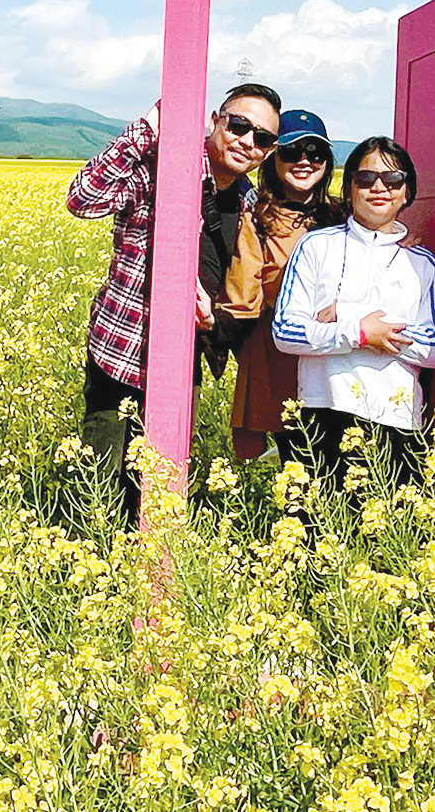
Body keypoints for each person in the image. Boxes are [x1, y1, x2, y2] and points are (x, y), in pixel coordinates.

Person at [66, 82, 282, 524]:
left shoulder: (247, 201)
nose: (247, 142)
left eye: (262, 138)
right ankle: (93, 556)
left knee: (159, 488)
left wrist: (212, 320)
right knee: (100, 485)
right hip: (122, 354)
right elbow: (82, 200)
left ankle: (149, 564)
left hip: (183, 364)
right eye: (239, 126)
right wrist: (148, 128)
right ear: (216, 121)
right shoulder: (160, 170)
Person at [271, 136, 435, 492]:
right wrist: (360, 333)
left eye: (392, 179)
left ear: (407, 192)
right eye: (366, 178)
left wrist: (349, 315)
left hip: (396, 421)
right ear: (350, 188)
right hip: (322, 413)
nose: (379, 188)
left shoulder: (422, 263)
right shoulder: (316, 246)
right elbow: (286, 331)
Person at [216, 110, 344, 462]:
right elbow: (244, 295)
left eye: (315, 152)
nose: (304, 161)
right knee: (298, 460)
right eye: (291, 152)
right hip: (280, 362)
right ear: (273, 158)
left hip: (339, 355)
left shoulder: (344, 216)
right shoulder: (256, 218)